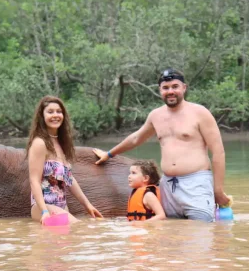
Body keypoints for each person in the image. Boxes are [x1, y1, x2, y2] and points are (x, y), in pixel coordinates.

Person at [93, 68, 230, 222]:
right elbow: (136, 138)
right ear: (160, 90)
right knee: (169, 239)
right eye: (165, 88)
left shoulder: (200, 113)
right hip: (167, 186)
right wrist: (109, 154)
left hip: (196, 184)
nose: (170, 91)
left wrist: (218, 190)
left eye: (175, 86)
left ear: (184, 88)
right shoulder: (156, 115)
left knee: (200, 235)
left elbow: (218, 153)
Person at [27, 95, 103, 224]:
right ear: (42, 116)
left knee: (68, 242)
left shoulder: (61, 144)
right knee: (78, 228)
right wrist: (44, 212)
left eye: (59, 111)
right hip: (44, 207)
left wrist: (87, 205)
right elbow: (34, 180)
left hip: (61, 206)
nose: (55, 115)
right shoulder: (39, 143)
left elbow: (69, 179)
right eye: (50, 112)